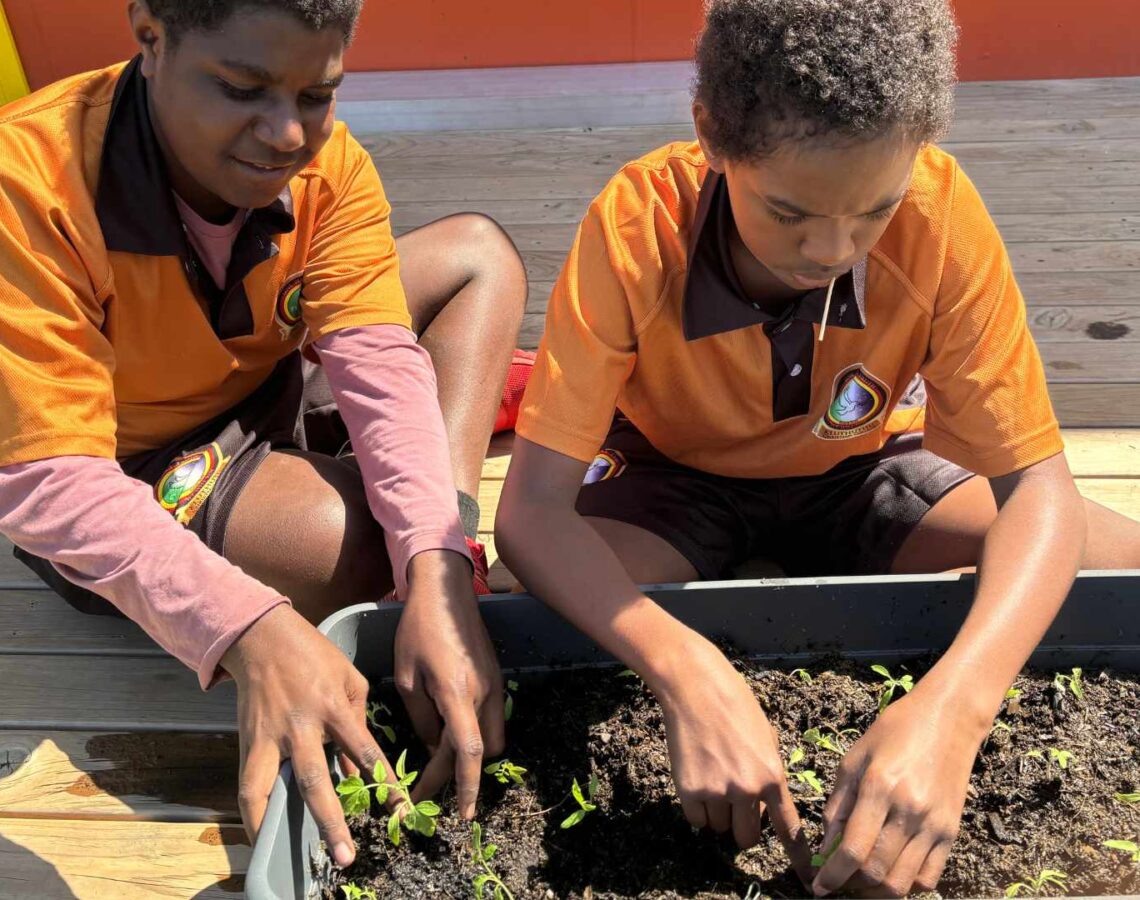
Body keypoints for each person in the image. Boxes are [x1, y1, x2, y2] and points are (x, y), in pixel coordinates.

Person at [495, 0, 1140, 895]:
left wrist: (954, 710)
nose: (831, 249)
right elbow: (529, 511)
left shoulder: (941, 216)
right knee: (518, 604)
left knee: (1112, 566)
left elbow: (1039, 492)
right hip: (672, 485)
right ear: (712, 136)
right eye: (787, 210)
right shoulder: (639, 228)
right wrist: (689, 672)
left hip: (858, 478)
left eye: (874, 211)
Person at [0, 0, 531, 868]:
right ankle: (327, 511)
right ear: (150, 36)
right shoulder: (30, 185)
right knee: (350, 546)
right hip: (134, 465)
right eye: (242, 88)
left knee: (479, 256)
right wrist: (248, 628)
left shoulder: (330, 166)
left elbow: (375, 353)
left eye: (316, 95)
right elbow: (45, 479)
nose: (286, 134)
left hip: (268, 369)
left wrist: (438, 563)